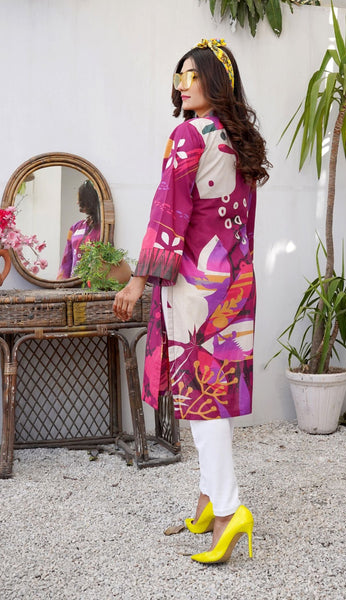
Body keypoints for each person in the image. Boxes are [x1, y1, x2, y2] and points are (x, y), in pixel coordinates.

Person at [113, 38, 270, 564]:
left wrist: (138, 281)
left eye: (194, 75)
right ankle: (207, 501)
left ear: (216, 82)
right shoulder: (238, 139)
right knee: (214, 392)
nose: (183, 84)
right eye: (180, 75)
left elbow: (168, 213)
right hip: (234, 280)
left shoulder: (188, 134)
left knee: (202, 399)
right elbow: (242, 223)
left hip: (196, 285)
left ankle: (228, 511)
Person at [57, 179, 101, 279]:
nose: (77, 202)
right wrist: (61, 282)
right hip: (73, 284)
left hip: (94, 283)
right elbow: (66, 261)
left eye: (80, 199)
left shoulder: (103, 229)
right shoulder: (75, 228)